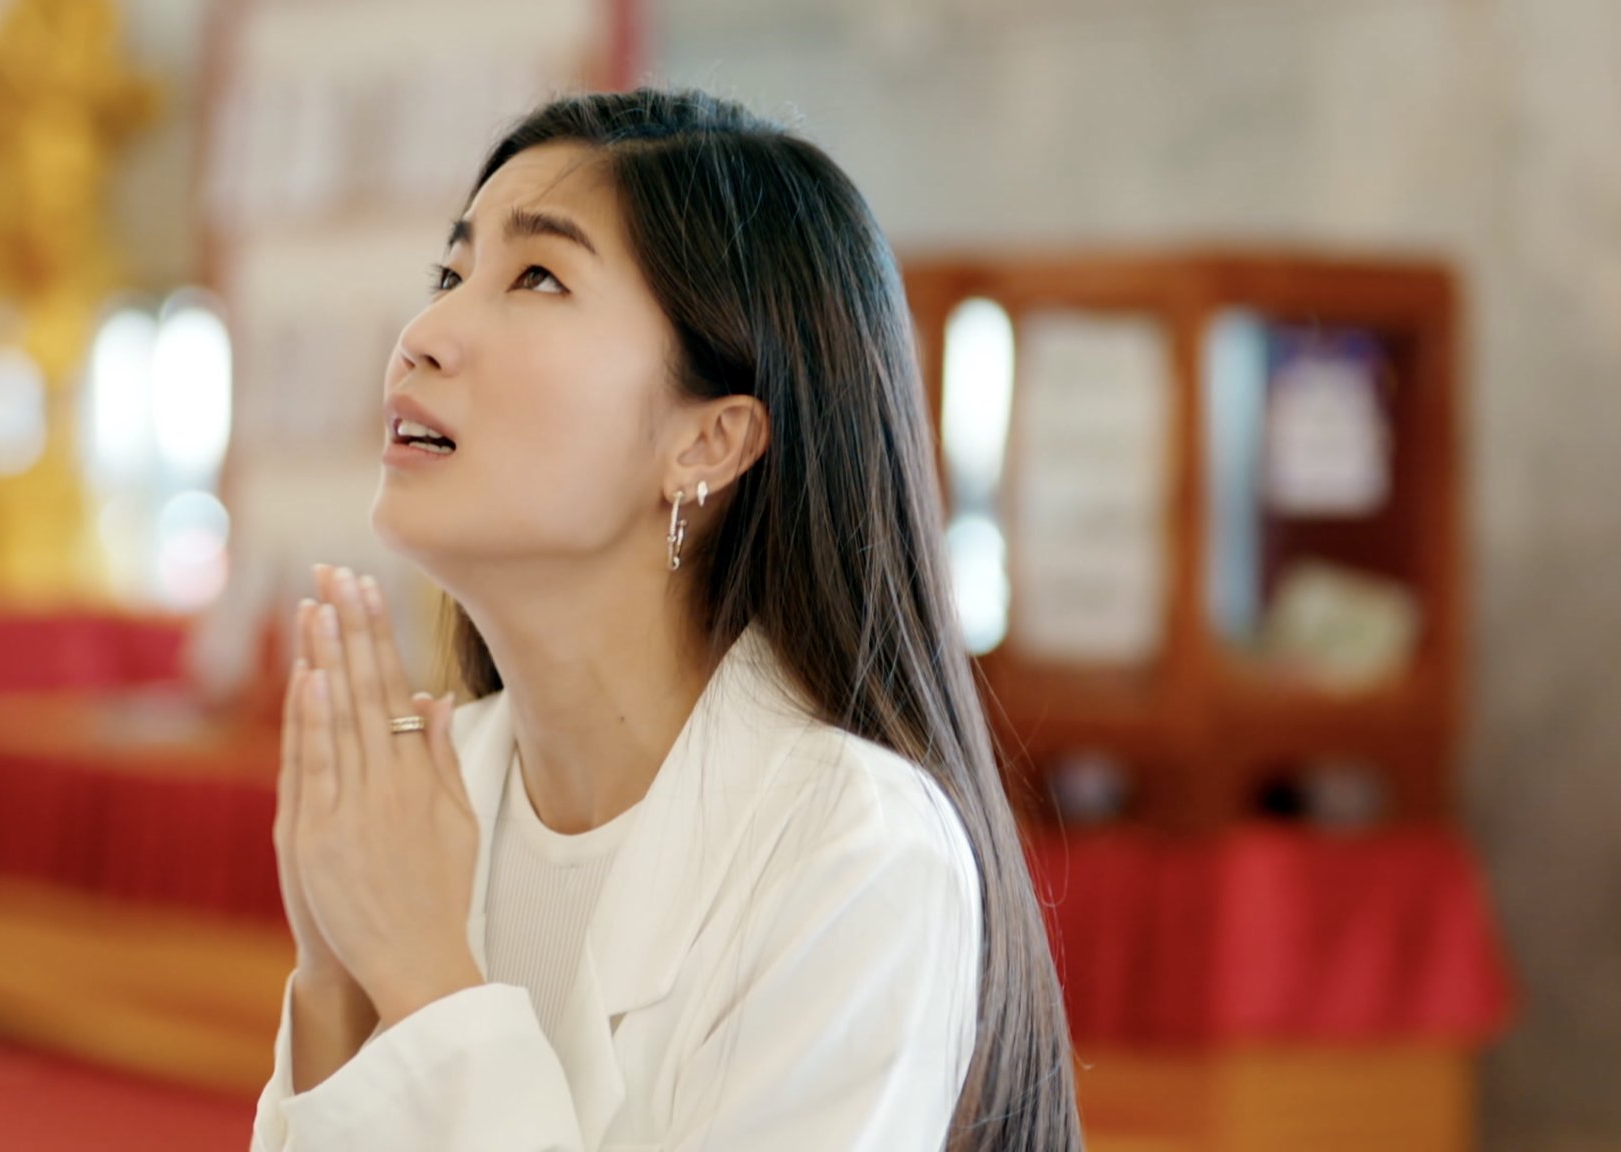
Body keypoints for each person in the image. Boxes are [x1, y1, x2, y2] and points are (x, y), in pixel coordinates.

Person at [251, 88, 1083, 1152]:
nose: (423, 336)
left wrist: (422, 975)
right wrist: (334, 978)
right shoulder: (434, 786)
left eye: (538, 277)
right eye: (449, 276)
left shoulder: (852, 849)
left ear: (708, 442)